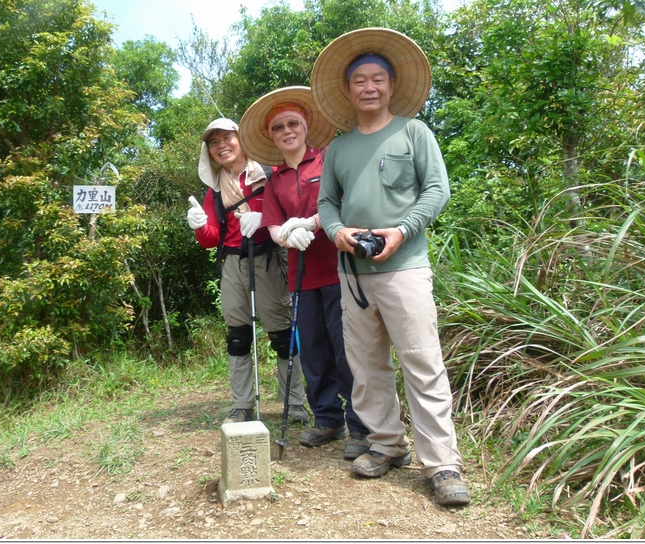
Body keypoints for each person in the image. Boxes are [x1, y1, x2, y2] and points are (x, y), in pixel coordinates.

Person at [312, 28, 471, 506]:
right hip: (354, 275)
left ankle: (442, 463)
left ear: (391, 84)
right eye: (359, 80)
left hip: (406, 268)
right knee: (366, 366)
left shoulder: (414, 132)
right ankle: (385, 444)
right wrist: (337, 231)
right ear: (348, 90)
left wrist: (402, 230)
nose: (368, 87)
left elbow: (436, 191)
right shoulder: (338, 147)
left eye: (377, 78)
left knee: (422, 361)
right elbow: (326, 204)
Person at [239, 86, 371, 460]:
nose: (287, 131)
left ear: (306, 125)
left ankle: (361, 426)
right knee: (313, 351)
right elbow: (274, 227)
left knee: (348, 352)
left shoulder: (329, 160)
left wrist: (311, 223)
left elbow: (345, 202)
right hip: (301, 278)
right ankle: (328, 419)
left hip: (341, 271)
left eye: (293, 123)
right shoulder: (275, 179)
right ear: (271, 135)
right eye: (278, 127)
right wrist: (287, 234)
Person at [186, 117, 309, 425]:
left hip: (269, 258)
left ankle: (294, 402)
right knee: (238, 336)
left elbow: (287, 213)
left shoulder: (268, 174)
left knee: (282, 334)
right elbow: (212, 238)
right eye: (213, 143)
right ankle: (242, 404)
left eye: (227, 138)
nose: (221, 146)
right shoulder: (214, 190)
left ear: (241, 139)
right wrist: (201, 226)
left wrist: (259, 215)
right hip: (232, 263)